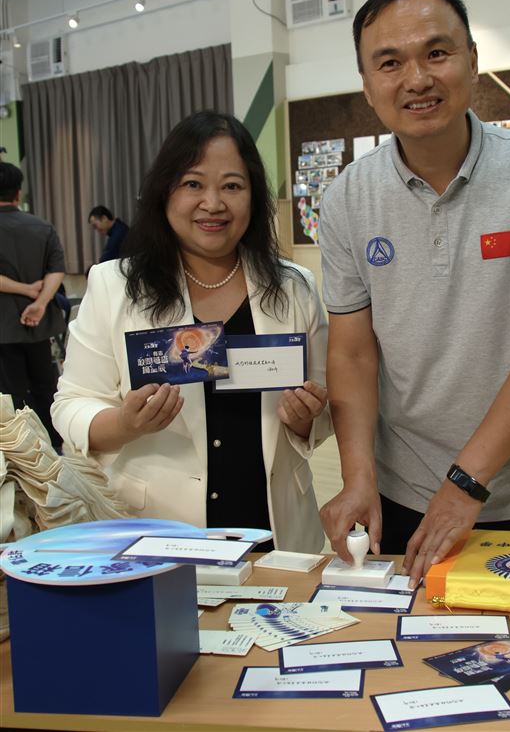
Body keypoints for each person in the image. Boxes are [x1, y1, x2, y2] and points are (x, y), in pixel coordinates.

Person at [318, 0, 510, 587]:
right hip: (406, 491)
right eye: (390, 62)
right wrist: (358, 476)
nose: (416, 78)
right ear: (367, 83)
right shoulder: (346, 199)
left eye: (436, 53)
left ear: (472, 60)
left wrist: (465, 483)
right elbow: (353, 352)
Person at [53, 111, 332, 551]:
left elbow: (326, 404)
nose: (213, 203)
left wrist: (306, 420)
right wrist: (125, 424)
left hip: (275, 529)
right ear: (165, 192)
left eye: (232, 186)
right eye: (193, 184)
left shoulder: (295, 287)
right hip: (156, 533)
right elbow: (71, 405)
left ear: (254, 196)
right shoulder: (114, 285)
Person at [0, 162, 66, 449]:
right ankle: (55, 445)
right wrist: (38, 301)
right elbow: (57, 270)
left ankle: (25, 450)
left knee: (10, 391)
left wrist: (22, 289)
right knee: (46, 386)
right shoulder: (42, 227)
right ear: (18, 192)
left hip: (3, 327)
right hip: (39, 325)